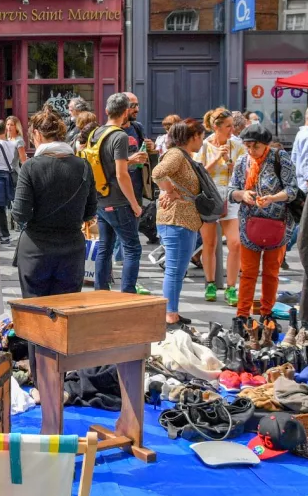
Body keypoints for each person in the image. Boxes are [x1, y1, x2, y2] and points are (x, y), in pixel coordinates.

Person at [11, 107, 96, 298]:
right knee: (65, 309)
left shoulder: (31, 166)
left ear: (36, 134)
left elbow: (20, 214)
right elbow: (90, 212)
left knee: (35, 310)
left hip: (36, 248)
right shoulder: (83, 166)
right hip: (71, 249)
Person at [228, 123, 299, 332]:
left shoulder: (280, 158)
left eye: (255, 147)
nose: (251, 151)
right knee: (248, 272)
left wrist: (273, 198)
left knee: (271, 272)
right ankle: (242, 316)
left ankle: (267, 313)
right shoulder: (242, 161)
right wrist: (242, 194)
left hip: (277, 224)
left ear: (265, 145)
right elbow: (231, 191)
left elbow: (292, 190)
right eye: (247, 146)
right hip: (249, 224)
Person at [152, 119, 206, 327]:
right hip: (176, 219)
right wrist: (170, 190)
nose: (202, 141)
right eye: (201, 137)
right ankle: (170, 314)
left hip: (184, 220)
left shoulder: (182, 155)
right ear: (193, 137)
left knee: (178, 270)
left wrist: (171, 190)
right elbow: (157, 173)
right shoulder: (176, 155)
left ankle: (172, 311)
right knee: (174, 270)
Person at [92, 92, 142, 294]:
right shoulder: (120, 136)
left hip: (101, 198)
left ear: (106, 111)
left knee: (105, 247)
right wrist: (135, 204)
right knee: (132, 248)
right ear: (125, 112)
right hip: (119, 201)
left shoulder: (96, 133)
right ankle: (128, 294)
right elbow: (122, 174)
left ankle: (101, 291)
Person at [195, 107, 246, 306]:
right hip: (209, 197)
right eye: (228, 126)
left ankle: (231, 287)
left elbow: (244, 172)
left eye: (233, 126)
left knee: (235, 243)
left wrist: (232, 165)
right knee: (209, 243)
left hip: (230, 196)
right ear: (216, 127)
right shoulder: (204, 146)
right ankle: (210, 283)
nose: (232, 130)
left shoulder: (237, 145)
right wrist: (217, 159)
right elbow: (198, 174)